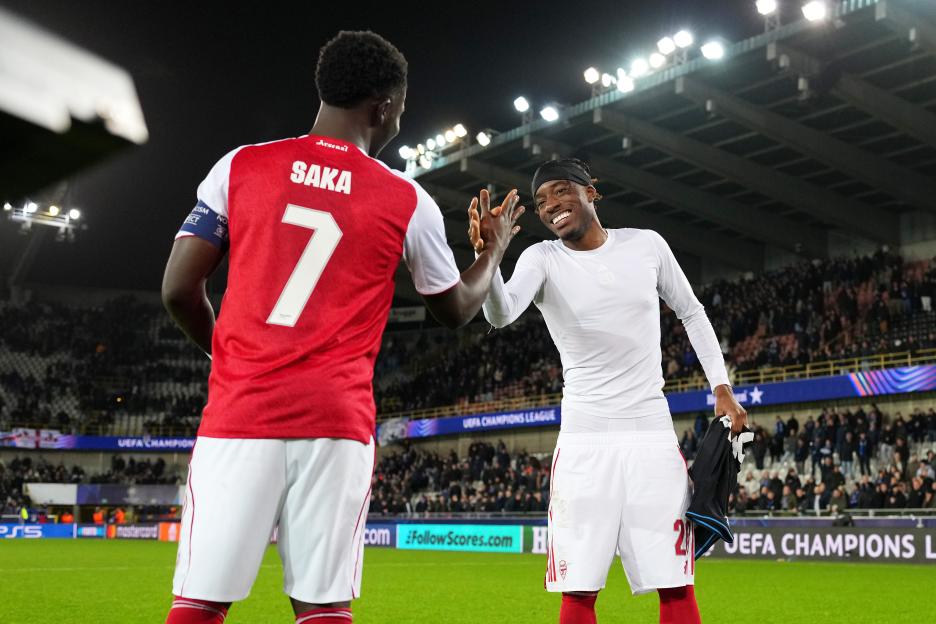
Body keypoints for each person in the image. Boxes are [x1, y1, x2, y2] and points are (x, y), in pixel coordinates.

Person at [160, 31, 522, 624]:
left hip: (240, 412)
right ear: (382, 107)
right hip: (336, 421)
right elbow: (455, 309)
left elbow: (178, 289)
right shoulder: (408, 199)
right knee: (324, 606)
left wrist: (226, 358)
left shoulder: (241, 165)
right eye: (401, 111)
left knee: (199, 603)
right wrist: (494, 251)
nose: (400, 123)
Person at [470, 159, 746, 624]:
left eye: (560, 192)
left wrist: (721, 386)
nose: (551, 206)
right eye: (541, 202)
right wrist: (491, 260)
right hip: (584, 440)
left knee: (676, 585)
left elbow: (692, 313)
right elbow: (500, 314)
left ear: (590, 192)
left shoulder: (646, 245)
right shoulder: (542, 258)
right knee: (578, 591)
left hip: (651, 438)